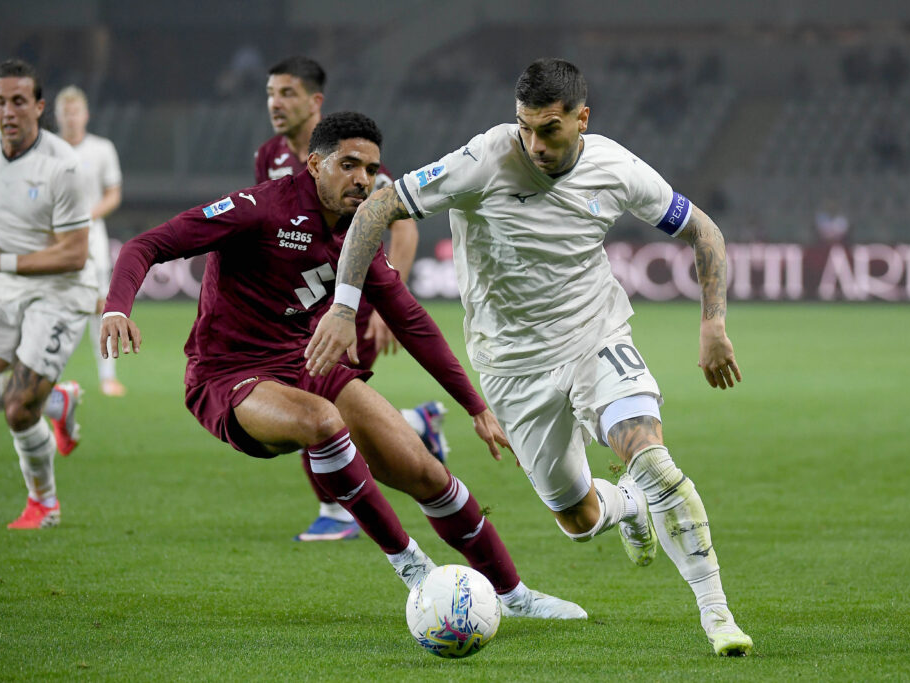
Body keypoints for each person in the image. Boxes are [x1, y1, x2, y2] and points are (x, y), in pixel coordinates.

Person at [311, 58, 754, 656]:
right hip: (511, 364)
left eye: (549, 128)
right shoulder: (486, 159)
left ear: (582, 118)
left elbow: (703, 230)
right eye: (524, 127)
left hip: (595, 335)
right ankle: (627, 504)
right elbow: (375, 209)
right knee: (577, 519)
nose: (534, 143)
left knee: (650, 455)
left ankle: (717, 615)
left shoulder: (614, 166)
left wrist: (713, 322)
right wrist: (343, 308)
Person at [100, 111, 586, 620]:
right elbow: (147, 244)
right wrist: (117, 306)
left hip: (305, 364)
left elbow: (410, 318)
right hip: (228, 376)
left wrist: (475, 407)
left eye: (371, 170)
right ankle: (414, 569)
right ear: (314, 163)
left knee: (425, 471)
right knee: (321, 421)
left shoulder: (358, 234)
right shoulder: (257, 209)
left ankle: (515, 596)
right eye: (348, 165)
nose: (362, 179)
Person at [256, 56, 444, 542]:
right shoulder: (269, 156)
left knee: (313, 389)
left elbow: (399, 222)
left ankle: (338, 512)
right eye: (271, 93)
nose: (276, 102)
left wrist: (385, 300)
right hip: (299, 300)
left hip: (347, 297)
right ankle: (415, 422)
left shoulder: (352, 155)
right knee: (325, 396)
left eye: (288, 93)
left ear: (315, 101)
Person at [0, 59, 89, 529]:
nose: (7, 111)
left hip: (59, 291)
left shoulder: (64, 167)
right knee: (21, 397)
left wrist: (3, 261)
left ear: (38, 106)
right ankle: (59, 401)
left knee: (17, 408)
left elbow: (74, 254)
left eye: (17, 101)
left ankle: (44, 504)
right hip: (5, 287)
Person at [54, 85, 126, 397]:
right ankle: (50, 377)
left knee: (101, 307)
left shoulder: (102, 149)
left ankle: (107, 376)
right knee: (55, 307)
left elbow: (114, 193)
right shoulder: (48, 149)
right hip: (54, 240)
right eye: (65, 113)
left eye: (75, 112)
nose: (71, 118)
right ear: (58, 116)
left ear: (85, 115)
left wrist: (89, 216)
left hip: (92, 239)